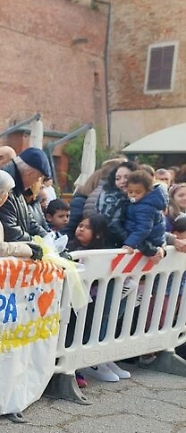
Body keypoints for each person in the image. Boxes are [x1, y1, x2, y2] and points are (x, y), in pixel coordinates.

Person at [66, 214, 132, 383]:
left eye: (87, 227)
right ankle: (72, 369)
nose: (81, 228)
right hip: (71, 300)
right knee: (71, 333)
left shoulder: (104, 252)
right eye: (80, 225)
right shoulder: (69, 248)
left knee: (100, 325)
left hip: (93, 300)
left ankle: (101, 357)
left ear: (98, 234)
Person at [0, 147, 50, 243]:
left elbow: (29, 221)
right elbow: (10, 232)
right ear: (30, 173)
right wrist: (37, 242)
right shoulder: (5, 188)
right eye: (37, 179)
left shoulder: (17, 189)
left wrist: (49, 238)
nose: (36, 183)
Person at [123, 169, 167, 259]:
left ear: (148, 192)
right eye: (130, 192)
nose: (133, 195)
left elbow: (144, 228)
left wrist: (130, 243)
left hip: (151, 241)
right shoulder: (137, 204)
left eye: (138, 192)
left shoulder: (145, 208)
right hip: (146, 240)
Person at [95, 159, 138, 246]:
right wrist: (135, 243)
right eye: (118, 178)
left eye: (127, 177)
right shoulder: (113, 197)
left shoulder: (136, 198)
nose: (122, 181)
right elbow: (111, 223)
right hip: (113, 246)